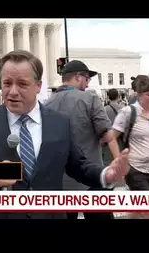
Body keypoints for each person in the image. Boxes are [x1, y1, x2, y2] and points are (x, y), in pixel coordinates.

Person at [0, 50, 129, 219]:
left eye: (22, 84)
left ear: (38, 86)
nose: (13, 91)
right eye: (7, 83)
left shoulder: (60, 122)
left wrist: (106, 174)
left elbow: (78, 166)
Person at [45, 60, 119, 220]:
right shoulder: (89, 98)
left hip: (60, 180)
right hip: (90, 175)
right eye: (87, 79)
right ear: (78, 77)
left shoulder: (47, 103)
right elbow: (107, 135)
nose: (87, 83)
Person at [112, 77, 149, 219]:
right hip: (135, 168)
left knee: (138, 208)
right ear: (139, 95)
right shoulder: (128, 112)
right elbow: (112, 137)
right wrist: (120, 161)